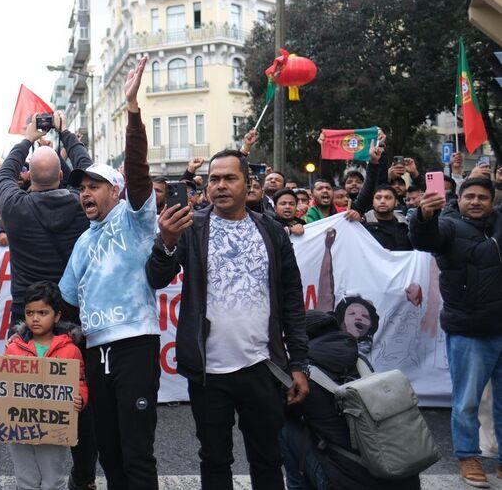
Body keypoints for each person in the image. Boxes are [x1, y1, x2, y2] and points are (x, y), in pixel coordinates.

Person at [148, 148, 309, 490]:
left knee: (267, 458)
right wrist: (166, 242)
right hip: (209, 373)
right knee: (215, 459)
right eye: (213, 179)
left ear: (249, 183)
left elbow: (293, 302)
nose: (220, 186)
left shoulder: (272, 232)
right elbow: (156, 278)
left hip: (263, 368)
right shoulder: (191, 228)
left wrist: (299, 365)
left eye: (229, 178)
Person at [59, 56, 162, 490]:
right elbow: (64, 303)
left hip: (134, 344)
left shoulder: (133, 217)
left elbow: (138, 171)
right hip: (94, 351)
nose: (85, 193)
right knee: (111, 453)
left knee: (137, 453)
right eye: (81, 188)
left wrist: (133, 110)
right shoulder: (82, 242)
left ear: (114, 191)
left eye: (93, 186)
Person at [0, 111, 98, 489]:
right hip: (76, 315)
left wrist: (26, 138)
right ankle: (81, 477)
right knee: (80, 401)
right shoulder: (82, 206)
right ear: (62, 177)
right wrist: (67, 133)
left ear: (29, 177)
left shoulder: (16, 208)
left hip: (28, 317)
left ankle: (33, 479)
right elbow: (88, 172)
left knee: (28, 399)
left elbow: (3, 174)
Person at [408, 175, 502, 487]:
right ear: (458, 200)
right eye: (469, 196)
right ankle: (467, 456)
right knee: (467, 401)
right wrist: (423, 216)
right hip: (469, 330)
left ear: (493, 201)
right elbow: (424, 239)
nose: (476, 202)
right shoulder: (446, 225)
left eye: (482, 197)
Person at [279, 310, 420, 490]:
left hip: (348, 483)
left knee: (283, 424)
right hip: (401, 477)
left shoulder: (303, 375)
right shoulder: (361, 362)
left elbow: (279, 409)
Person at [0, 282, 88, 490]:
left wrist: (80, 398)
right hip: (19, 428)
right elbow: (2, 382)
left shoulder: (71, 350)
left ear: (57, 316)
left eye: (43, 313)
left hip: (55, 428)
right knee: (26, 480)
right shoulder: (14, 347)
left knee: (53, 480)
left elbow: (80, 382)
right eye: (30, 313)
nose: (35, 318)